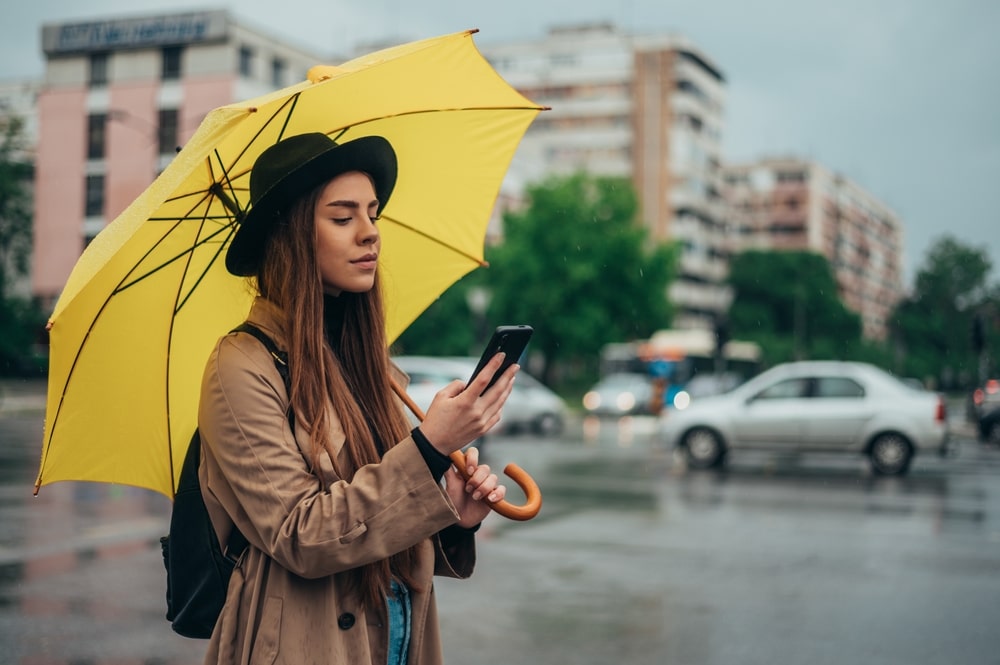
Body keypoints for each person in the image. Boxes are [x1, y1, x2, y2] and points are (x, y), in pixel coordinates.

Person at [197, 132, 517, 665]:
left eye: (373, 214)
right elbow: (303, 535)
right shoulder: (240, 366)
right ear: (292, 234)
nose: (370, 233)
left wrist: (453, 515)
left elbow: (380, 526)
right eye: (343, 219)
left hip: (396, 635)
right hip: (305, 644)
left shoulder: (365, 361)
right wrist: (431, 446)